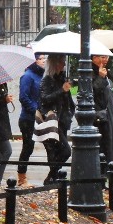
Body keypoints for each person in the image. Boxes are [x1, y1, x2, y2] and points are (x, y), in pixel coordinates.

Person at [39, 54, 75, 185]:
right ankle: (52, 176)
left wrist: (71, 112)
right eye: (61, 62)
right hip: (51, 120)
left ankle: (53, 177)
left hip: (63, 120)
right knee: (63, 150)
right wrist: (61, 90)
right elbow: (44, 99)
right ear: (55, 64)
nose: (64, 64)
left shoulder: (62, 79)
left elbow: (68, 101)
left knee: (58, 151)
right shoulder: (47, 80)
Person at [16, 54, 45, 187]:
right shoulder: (27, 76)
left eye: (44, 58)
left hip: (39, 117)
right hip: (28, 119)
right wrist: (35, 111)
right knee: (28, 147)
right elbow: (23, 97)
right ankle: (21, 178)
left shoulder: (41, 75)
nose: (43, 60)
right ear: (33, 61)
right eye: (40, 58)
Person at [92, 54, 113, 169]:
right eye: (102, 57)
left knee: (111, 148)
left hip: (108, 117)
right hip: (100, 119)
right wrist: (100, 78)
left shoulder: (105, 73)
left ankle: (109, 174)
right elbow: (92, 93)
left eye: (107, 57)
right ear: (93, 58)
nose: (105, 60)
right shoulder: (91, 74)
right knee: (104, 148)